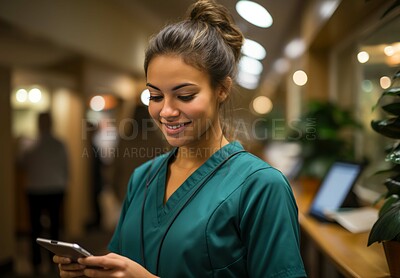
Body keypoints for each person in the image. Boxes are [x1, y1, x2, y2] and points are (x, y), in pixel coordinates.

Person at [54, 0, 307, 277]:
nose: (167, 111)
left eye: (185, 96)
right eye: (155, 96)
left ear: (222, 89)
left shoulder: (261, 187)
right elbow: (121, 261)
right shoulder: (143, 178)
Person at [22, 112, 69, 273]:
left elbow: (20, 162)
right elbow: (66, 167)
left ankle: (36, 262)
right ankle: (52, 262)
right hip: (55, 189)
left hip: (36, 189)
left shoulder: (29, 144)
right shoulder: (59, 144)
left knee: (35, 228)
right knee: (54, 227)